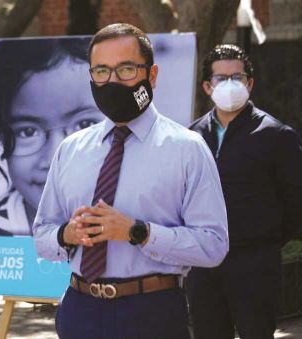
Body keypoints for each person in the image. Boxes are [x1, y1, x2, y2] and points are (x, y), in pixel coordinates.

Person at [33, 23, 229, 338]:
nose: (111, 81)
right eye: (101, 71)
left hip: (151, 312)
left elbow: (213, 246)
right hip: (79, 310)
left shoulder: (187, 149)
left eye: (125, 69)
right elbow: (42, 235)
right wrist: (67, 234)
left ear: (151, 76)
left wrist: (138, 232)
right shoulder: (71, 149)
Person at [187, 44, 302, 339]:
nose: (229, 85)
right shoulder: (191, 138)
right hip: (203, 265)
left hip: (255, 263)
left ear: (249, 83)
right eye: (220, 78)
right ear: (206, 86)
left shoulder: (276, 136)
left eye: (236, 77)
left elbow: (295, 202)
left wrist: (266, 240)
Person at [0, 38, 104, 236]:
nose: (54, 161)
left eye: (85, 125)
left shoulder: (144, 224)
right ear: (1, 136)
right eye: (28, 131)